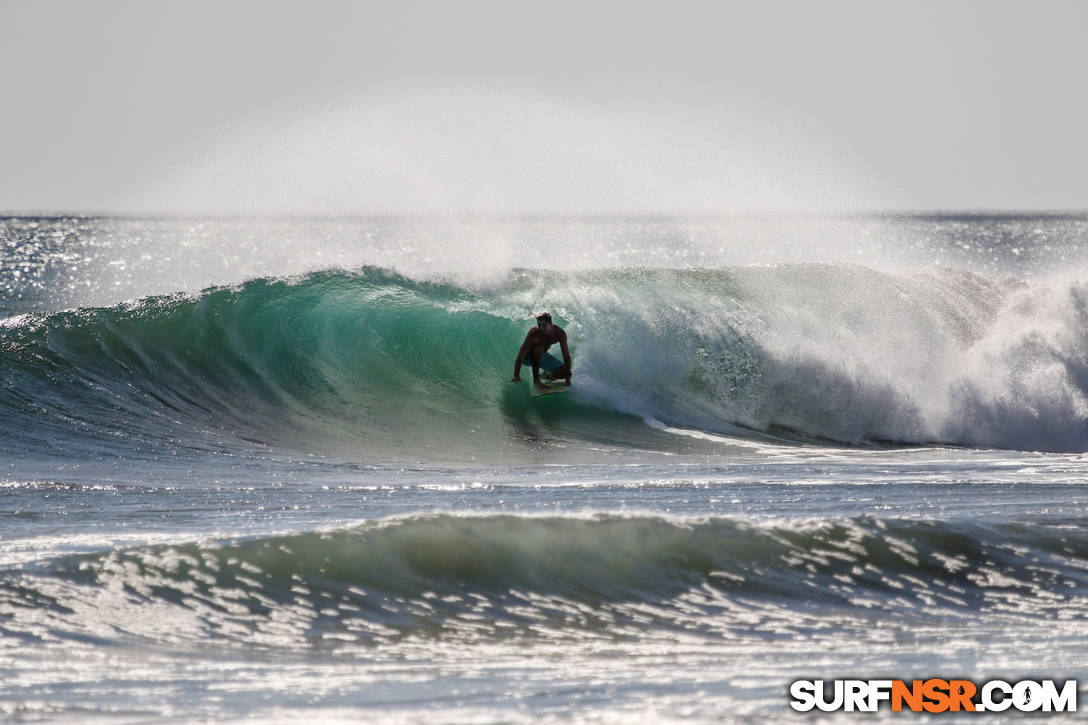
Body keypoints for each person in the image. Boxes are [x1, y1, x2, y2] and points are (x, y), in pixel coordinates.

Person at [511, 312, 572, 388]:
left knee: (562, 373)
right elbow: (521, 355)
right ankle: (536, 381)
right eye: (539, 325)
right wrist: (516, 375)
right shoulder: (534, 334)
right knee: (537, 348)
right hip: (527, 358)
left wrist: (567, 377)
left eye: (544, 325)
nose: (541, 328)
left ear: (551, 324)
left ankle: (547, 375)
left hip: (542, 356)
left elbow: (566, 356)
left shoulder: (560, 334)